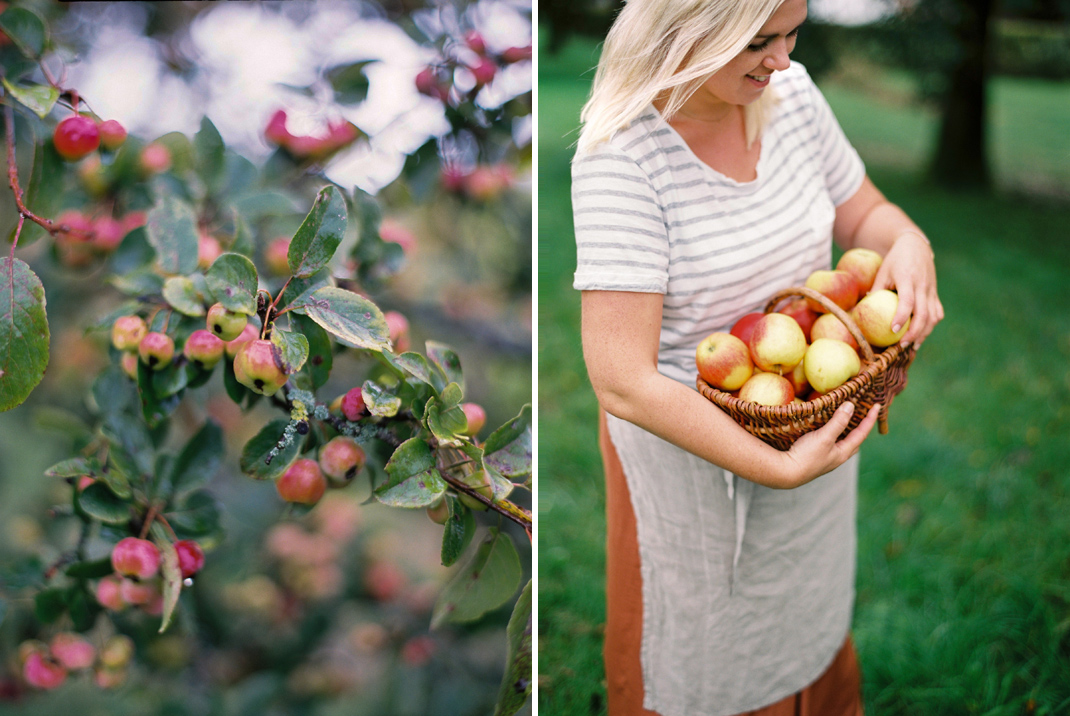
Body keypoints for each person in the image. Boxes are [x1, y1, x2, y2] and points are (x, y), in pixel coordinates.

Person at [570, 0, 945, 714]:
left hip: (808, 417)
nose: (783, 58)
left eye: (793, 33)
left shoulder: (790, 96)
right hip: (692, 457)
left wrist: (910, 242)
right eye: (758, 41)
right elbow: (621, 381)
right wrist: (773, 467)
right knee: (706, 655)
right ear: (687, 28)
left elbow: (864, 211)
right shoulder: (621, 157)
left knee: (803, 610)